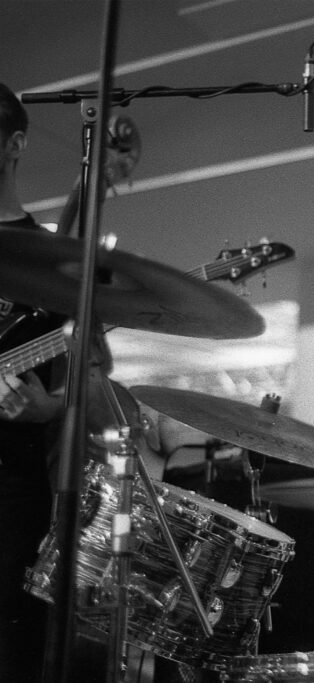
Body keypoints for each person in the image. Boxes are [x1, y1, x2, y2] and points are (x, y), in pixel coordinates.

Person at [0, 81, 67, 682]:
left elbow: (94, 376)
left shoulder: (49, 257)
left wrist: (52, 407)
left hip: (11, 488)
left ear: (15, 143)